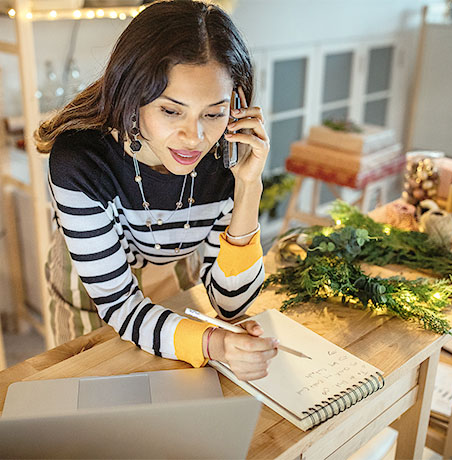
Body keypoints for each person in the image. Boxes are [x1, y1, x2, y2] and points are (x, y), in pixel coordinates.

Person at [36, 0, 274, 381]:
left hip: (174, 271)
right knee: (94, 395)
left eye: (213, 113)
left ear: (237, 106)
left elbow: (231, 306)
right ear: (133, 97)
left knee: (169, 388)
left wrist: (249, 186)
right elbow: (121, 307)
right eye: (171, 111)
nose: (194, 138)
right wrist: (214, 344)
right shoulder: (80, 160)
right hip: (93, 294)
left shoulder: (227, 154)